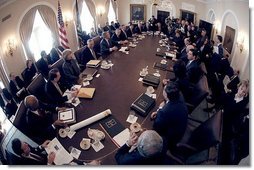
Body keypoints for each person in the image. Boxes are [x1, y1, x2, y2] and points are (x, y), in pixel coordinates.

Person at [151, 83, 188, 151]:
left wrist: (160, 109)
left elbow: (156, 126)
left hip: (171, 137)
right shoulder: (180, 96)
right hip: (181, 126)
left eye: (164, 90)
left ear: (166, 95)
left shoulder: (165, 111)